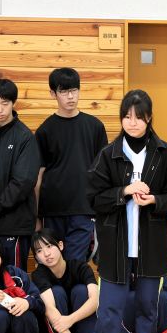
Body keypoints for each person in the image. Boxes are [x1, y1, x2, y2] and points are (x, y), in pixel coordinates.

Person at [88, 89, 167, 333]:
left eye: (138, 117)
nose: (132, 123)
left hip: (152, 246)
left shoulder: (166, 154)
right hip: (115, 245)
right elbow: (93, 198)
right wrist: (124, 192)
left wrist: (154, 199)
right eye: (126, 117)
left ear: (149, 118)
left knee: (148, 307)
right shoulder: (108, 154)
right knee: (109, 309)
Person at [35, 67, 109, 260]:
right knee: (52, 264)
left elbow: (104, 173)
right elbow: (39, 176)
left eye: (74, 90)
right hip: (52, 209)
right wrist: (36, 215)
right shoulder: (45, 130)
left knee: (76, 264)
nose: (70, 96)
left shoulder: (95, 127)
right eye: (64, 91)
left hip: (84, 209)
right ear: (53, 94)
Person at [0, 78, 40, 271]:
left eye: (5, 103)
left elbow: (23, 181)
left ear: (13, 103)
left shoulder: (25, 137)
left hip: (15, 224)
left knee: (13, 280)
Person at [30, 228, 97, 333]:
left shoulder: (81, 267)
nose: (46, 254)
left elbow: (95, 300)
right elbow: (49, 309)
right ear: (36, 257)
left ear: (60, 245)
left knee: (80, 290)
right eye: (39, 251)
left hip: (76, 326)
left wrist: (70, 319)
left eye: (49, 246)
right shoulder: (39, 274)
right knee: (57, 292)